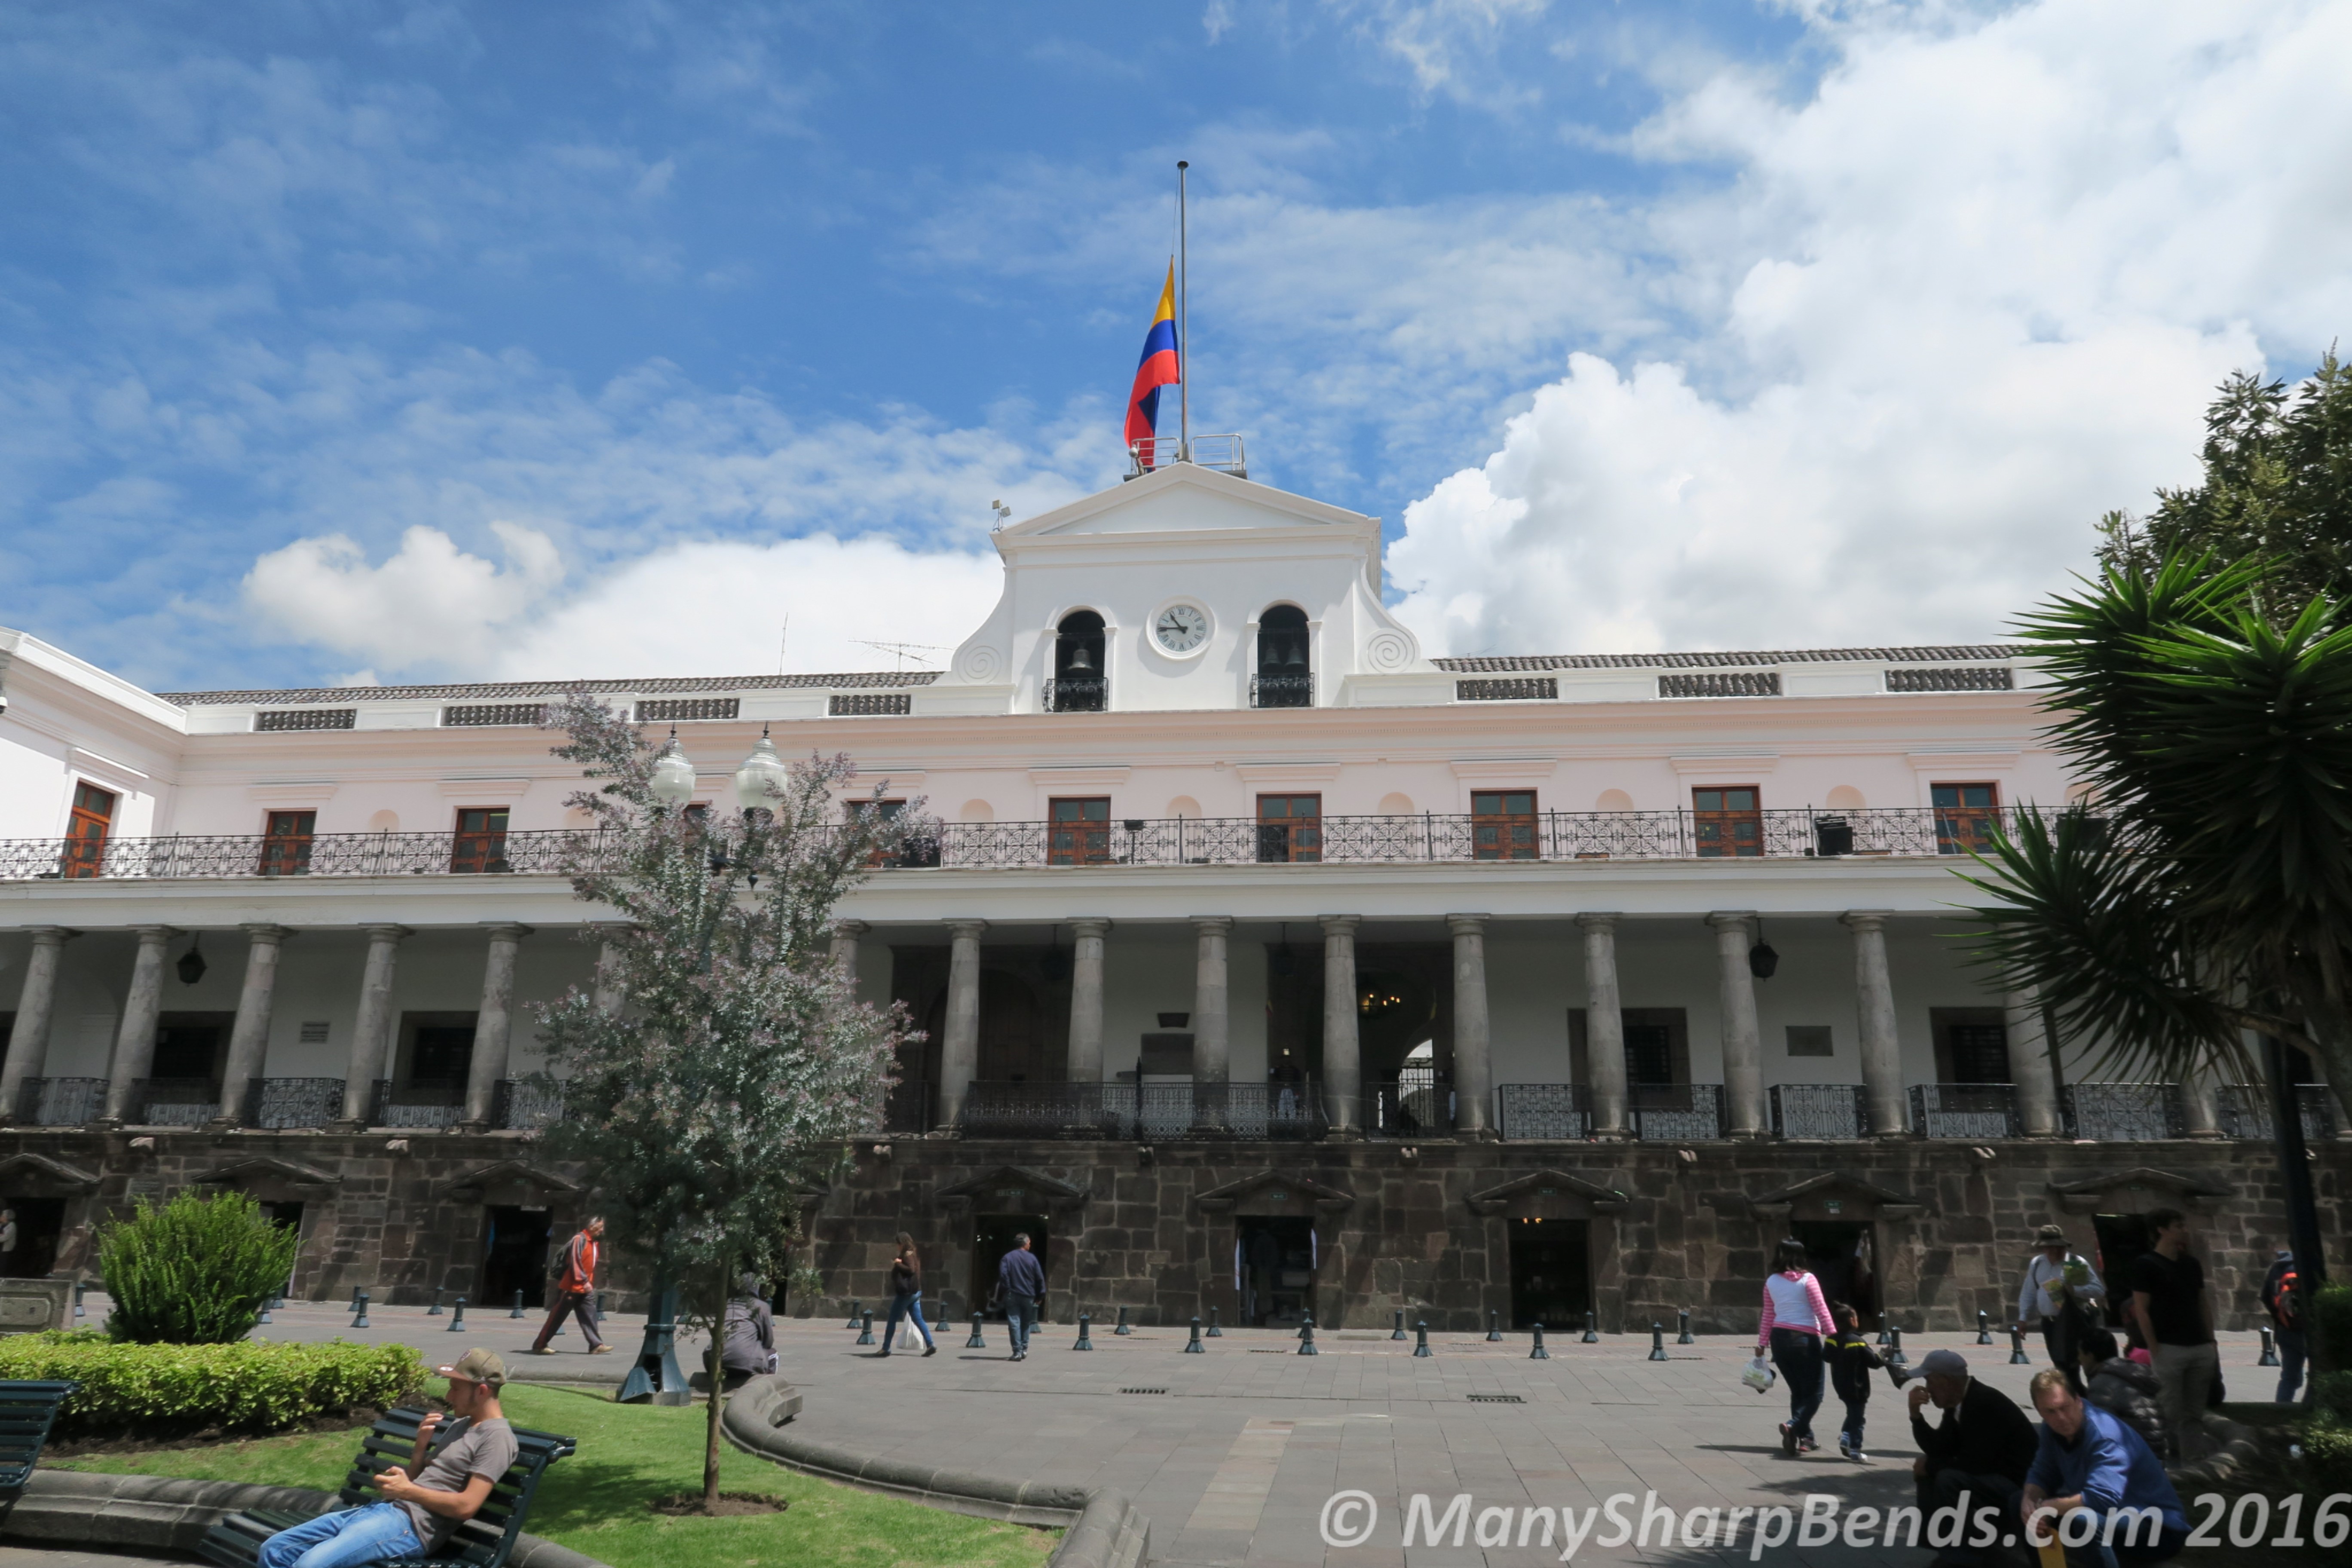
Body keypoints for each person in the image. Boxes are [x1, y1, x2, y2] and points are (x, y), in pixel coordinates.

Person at [259, 1349, 518, 1568]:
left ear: (482, 1391)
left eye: (455, 1389)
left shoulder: (497, 1438)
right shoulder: (462, 1424)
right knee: (275, 1548)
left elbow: (467, 1506)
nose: (449, 1398)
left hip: (410, 1529)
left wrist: (408, 1491)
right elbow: (418, 1483)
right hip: (382, 1512)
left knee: (309, 1565)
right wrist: (420, 1449)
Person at [2022, 1367, 2189, 1566]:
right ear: (2040, 1412)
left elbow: (2102, 1498)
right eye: (2050, 1412)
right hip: (2113, 1518)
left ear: (2078, 1401)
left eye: (2064, 1407)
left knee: (2085, 1520)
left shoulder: (2105, 1434)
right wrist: (2030, 1500)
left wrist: (2048, 1507)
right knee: (2020, 1505)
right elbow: (2042, 1473)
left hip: (2158, 1527)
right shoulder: (2051, 1431)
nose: (2061, 1418)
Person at [1908, 1348, 2037, 1568]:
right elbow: (1939, 1448)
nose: (1928, 1389)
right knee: (1930, 1469)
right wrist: (1916, 1416)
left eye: (1930, 1381)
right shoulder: (1958, 1405)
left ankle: (1960, 1557)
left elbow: (1976, 1463)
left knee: (1948, 1479)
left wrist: (1930, 1466)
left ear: (1947, 1381)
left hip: (2019, 1486)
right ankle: (1943, 1546)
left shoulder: (1983, 1402)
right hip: (1994, 1476)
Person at [2127, 1208, 2216, 1458]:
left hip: (2199, 1345)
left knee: (2194, 1413)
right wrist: (2154, 1347)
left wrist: (2211, 1340)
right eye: (2179, 1226)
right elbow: (2142, 1309)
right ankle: (2159, 1462)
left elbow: (2202, 1302)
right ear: (2162, 1230)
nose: (2185, 1230)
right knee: (2168, 1411)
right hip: (2168, 1347)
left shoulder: (2191, 1264)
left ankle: (2193, 1463)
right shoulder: (2145, 1265)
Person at [1756, 1237, 1835, 1455]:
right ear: (1801, 1256)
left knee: (1798, 1391)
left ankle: (1805, 1438)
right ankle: (1793, 1426)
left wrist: (1762, 1343)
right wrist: (1834, 1337)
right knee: (1815, 1393)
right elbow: (1821, 1309)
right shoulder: (1809, 1280)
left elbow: (1768, 1314)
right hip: (1805, 1339)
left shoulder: (1771, 1281)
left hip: (1779, 1340)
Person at [2018, 1222, 2106, 1383]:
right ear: (2043, 1248)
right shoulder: (2037, 1263)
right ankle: (2075, 1395)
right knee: (2061, 1368)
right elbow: (2029, 1292)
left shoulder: (2075, 1263)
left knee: (2075, 1368)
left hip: (2073, 1322)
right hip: (2050, 1324)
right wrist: (2023, 1318)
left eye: (2058, 1247)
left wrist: (2074, 1290)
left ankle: (2085, 1395)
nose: (2055, 1251)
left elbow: (2098, 1290)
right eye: (2049, 1247)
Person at [2076, 1326, 2165, 1455]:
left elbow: (2102, 1433)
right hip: (2158, 1449)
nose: (2079, 1360)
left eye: (2080, 1354)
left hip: (2136, 1456)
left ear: (2090, 1356)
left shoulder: (2101, 1384)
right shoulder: (2135, 1371)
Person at [528, 1216, 609, 1356]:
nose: (602, 1230)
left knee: (590, 1316)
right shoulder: (579, 1239)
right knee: (557, 1316)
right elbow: (575, 1262)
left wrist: (587, 1283)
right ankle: (540, 1345)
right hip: (571, 1287)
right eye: (600, 1226)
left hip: (585, 1288)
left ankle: (596, 1345)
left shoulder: (593, 1243)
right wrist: (583, 1281)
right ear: (592, 1226)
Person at [1822, 1299, 1883, 1462]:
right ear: (1852, 1320)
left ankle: (1845, 1437)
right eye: (1856, 1317)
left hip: (1841, 1385)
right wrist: (1884, 1356)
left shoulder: (1831, 1339)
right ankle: (1855, 1450)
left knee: (1853, 1413)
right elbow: (1874, 1362)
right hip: (1858, 1386)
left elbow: (1826, 1357)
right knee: (1858, 1419)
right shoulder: (1857, 1341)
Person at [2261, 1246, 2308, 1404]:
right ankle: (2312, 1410)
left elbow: (2265, 1296)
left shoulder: (2276, 1269)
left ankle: (2281, 1410)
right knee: (2318, 1376)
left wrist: (2279, 1317)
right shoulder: (2305, 1266)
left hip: (2285, 1329)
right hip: (2306, 1331)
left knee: (2290, 1377)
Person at [879, 1232, 936, 1358]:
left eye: (898, 1244)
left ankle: (886, 1348)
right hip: (915, 1292)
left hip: (907, 1293)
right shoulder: (913, 1253)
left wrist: (898, 1263)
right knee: (918, 1319)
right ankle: (930, 1344)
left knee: (892, 1318)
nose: (897, 1246)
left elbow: (911, 1270)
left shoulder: (908, 1254)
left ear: (902, 1243)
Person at [720, 1273, 777, 1390]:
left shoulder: (728, 1303)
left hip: (714, 1359)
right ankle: (767, 1390)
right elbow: (768, 1342)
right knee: (773, 1354)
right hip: (745, 1361)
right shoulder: (762, 1306)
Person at [997, 1232, 1044, 1363]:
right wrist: (1040, 1294)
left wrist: (1007, 1290)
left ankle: (1017, 1351)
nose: (1030, 1245)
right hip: (1028, 1295)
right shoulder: (1032, 1259)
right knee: (1026, 1323)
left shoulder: (1007, 1258)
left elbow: (1003, 1275)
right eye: (1029, 1243)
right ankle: (1024, 1349)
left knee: (1014, 1323)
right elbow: (1039, 1278)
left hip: (1012, 1294)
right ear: (1026, 1243)